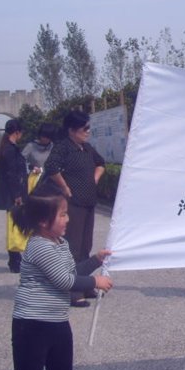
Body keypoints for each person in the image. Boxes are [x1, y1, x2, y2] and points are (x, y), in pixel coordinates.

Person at [3, 188, 113, 370]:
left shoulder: (60, 243)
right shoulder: (39, 246)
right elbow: (65, 281)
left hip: (57, 323)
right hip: (32, 325)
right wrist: (96, 281)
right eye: (62, 214)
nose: (68, 219)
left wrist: (95, 260)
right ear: (43, 221)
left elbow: (72, 272)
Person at [44, 111, 105, 307]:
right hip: (73, 203)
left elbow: (101, 163)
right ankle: (73, 290)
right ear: (71, 130)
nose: (88, 131)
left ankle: (86, 284)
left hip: (88, 202)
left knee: (86, 246)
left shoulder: (86, 148)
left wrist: (94, 179)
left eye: (88, 128)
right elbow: (51, 167)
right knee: (74, 247)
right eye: (84, 128)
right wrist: (64, 187)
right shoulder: (64, 147)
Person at [0, 119, 29, 273]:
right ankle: (14, 261)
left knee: (14, 224)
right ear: (17, 132)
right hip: (12, 193)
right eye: (21, 132)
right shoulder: (9, 149)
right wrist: (17, 195)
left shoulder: (8, 147)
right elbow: (11, 174)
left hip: (10, 191)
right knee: (14, 225)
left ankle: (15, 260)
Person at [22, 122, 57, 194]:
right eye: (43, 136)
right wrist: (31, 168)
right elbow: (20, 161)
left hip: (50, 182)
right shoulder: (31, 146)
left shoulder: (53, 148)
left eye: (48, 137)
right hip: (33, 181)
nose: (45, 139)